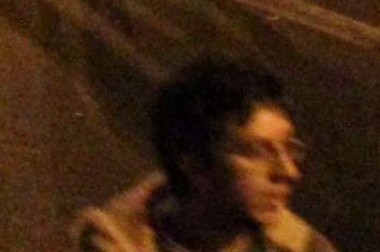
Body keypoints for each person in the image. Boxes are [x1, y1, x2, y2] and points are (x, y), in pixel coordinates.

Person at [74, 58, 336, 252]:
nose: (289, 172)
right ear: (195, 164)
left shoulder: (307, 248)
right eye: (258, 152)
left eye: (289, 148)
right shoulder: (113, 242)